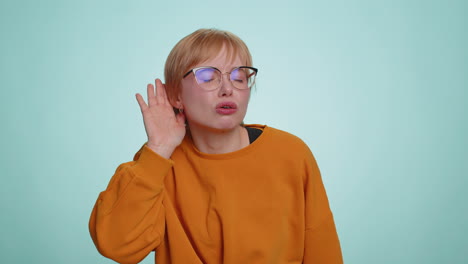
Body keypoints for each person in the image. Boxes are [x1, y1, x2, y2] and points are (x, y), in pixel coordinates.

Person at [89, 28, 343, 264]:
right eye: (208, 77)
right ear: (176, 95)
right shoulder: (157, 164)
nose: (227, 89)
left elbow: (323, 252)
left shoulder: (291, 154)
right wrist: (158, 148)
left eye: (239, 77)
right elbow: (116, 245)